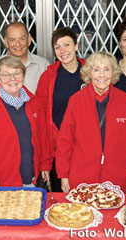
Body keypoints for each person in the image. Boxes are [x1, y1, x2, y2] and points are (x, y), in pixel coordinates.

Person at [56, 51, 126, 193]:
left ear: (113, 73)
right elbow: (65, 140)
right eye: (96, 70)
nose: (102, 75)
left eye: (107, 69)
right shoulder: (76, 101)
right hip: (82, 177)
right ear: (89, 73)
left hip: (117, 177)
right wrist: (64, 175)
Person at [0, 56, 53, 188]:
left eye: (17, 73)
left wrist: (45, 164)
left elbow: (43, 137)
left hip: (33, 179)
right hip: (3, 183)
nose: (12, 79)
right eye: (6, 75)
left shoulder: (34, 103)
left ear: (23, 76)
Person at [35, 27, 86, 192]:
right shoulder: (48, 77)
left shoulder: (91, 73)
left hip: (86, 148)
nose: (63, 51)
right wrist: (45, 160)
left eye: (67, 45)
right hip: (58, 149)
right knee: (60, 201)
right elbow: (41, 121)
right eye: (58, 47)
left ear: (76, 46)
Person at [0, 22, 50, 94]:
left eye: (22, 39)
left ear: (29, 40)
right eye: (12, 40)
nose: (18, 44)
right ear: (6, 42)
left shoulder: (43, 65)